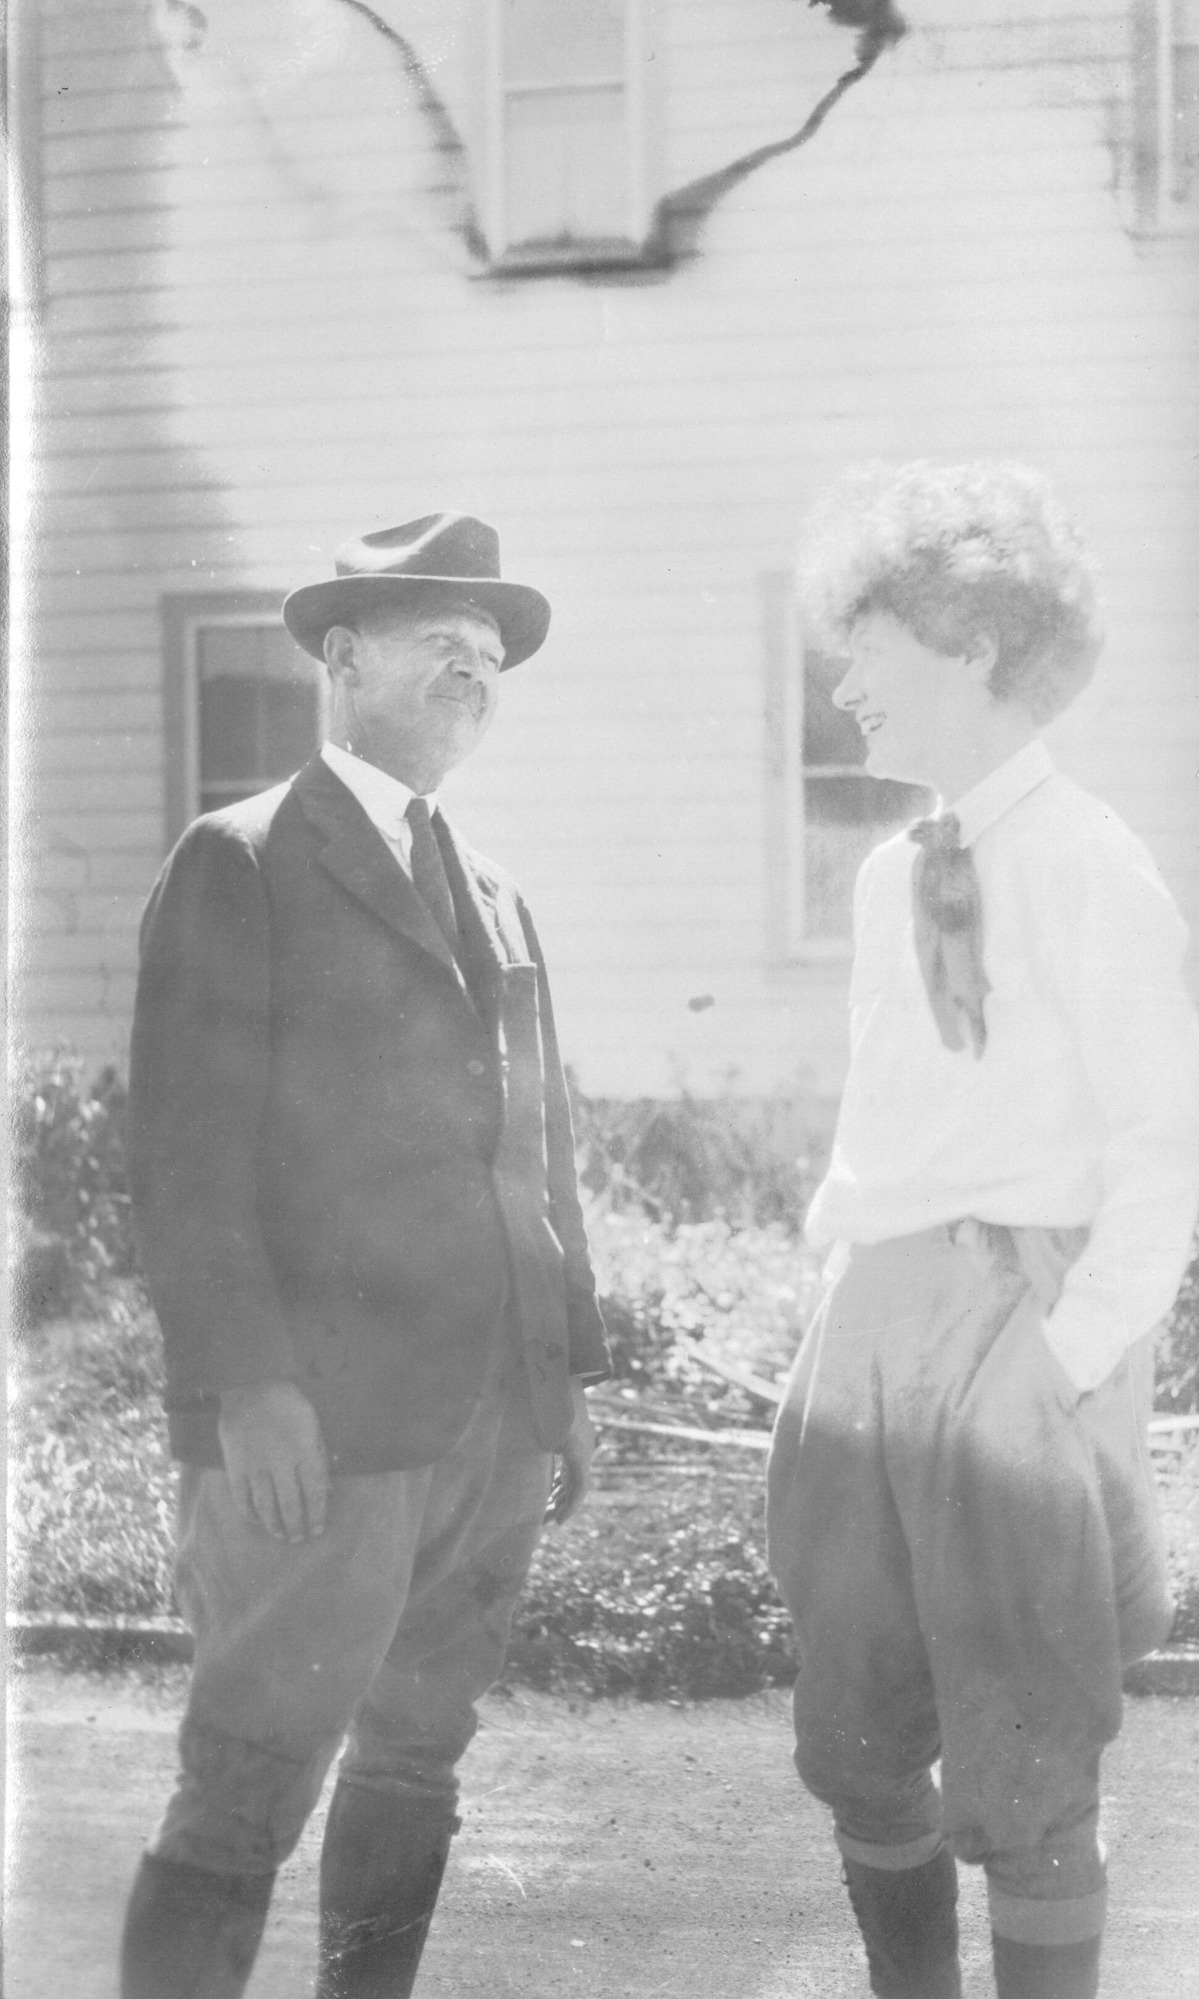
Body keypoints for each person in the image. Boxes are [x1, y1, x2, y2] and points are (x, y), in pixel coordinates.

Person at [119, 513, 610, 1999]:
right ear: (342, 655)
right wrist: (249, 1388)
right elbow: (185, 1162)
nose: (475, 674)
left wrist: (567, 1377)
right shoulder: (243, 861)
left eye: (490, 657)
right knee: (249, 1780)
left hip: (489, 1428)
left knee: (417, 1761)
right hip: (318, 1433)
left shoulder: (502, 890)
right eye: (441, 644)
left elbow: (544, 1151)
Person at [765, 462, 1199, 1999]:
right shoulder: (892, 877)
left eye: (873, 644)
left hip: (1020, 1324)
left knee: (1023, 1753)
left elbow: (1167, 1151)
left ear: (973, 647)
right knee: (859, 1733)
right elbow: (888, 1115)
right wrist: (838, 1274)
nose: (845, 679)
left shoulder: (1094, 864)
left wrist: (1071, 1359)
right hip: (876, 1324)